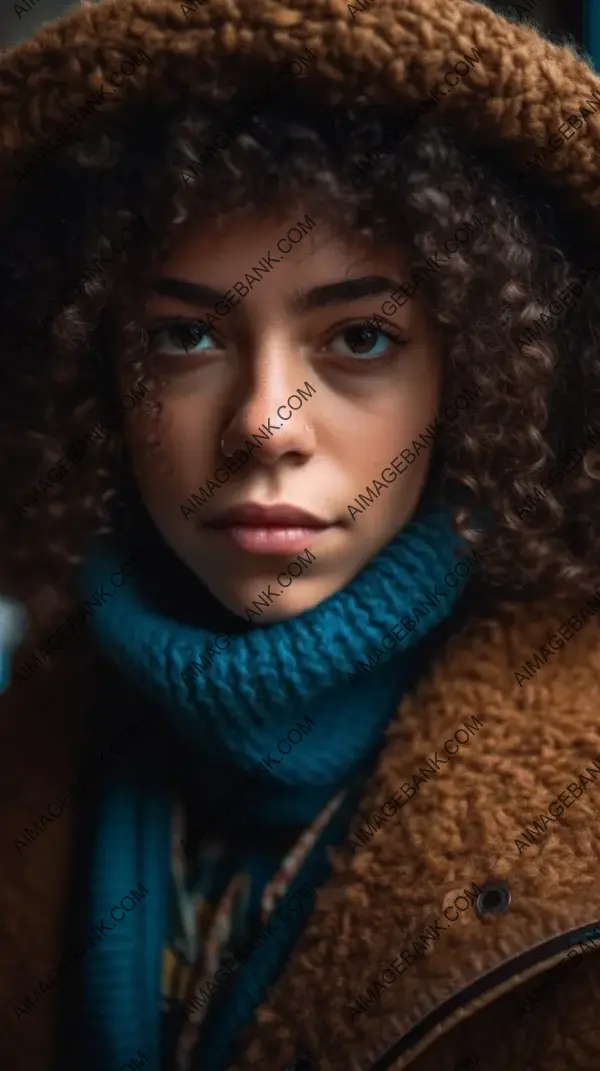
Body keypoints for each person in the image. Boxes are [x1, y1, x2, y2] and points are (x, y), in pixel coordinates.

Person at [1, 0, 600, 1069]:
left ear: (478, 377)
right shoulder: (29, 743)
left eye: (360, 338)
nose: (264, 426)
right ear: (89, 369)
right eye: (184, 337)